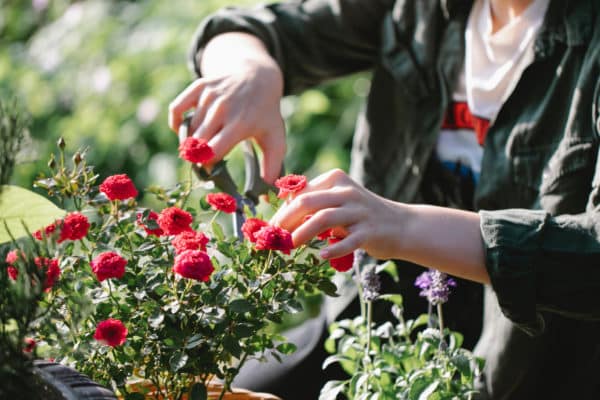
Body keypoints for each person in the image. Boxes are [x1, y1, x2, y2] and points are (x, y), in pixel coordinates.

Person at [169, 0, 600, 398]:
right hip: (371, 325)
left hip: (537, 359)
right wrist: (249, 71)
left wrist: (402, 226)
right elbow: (251, 30)